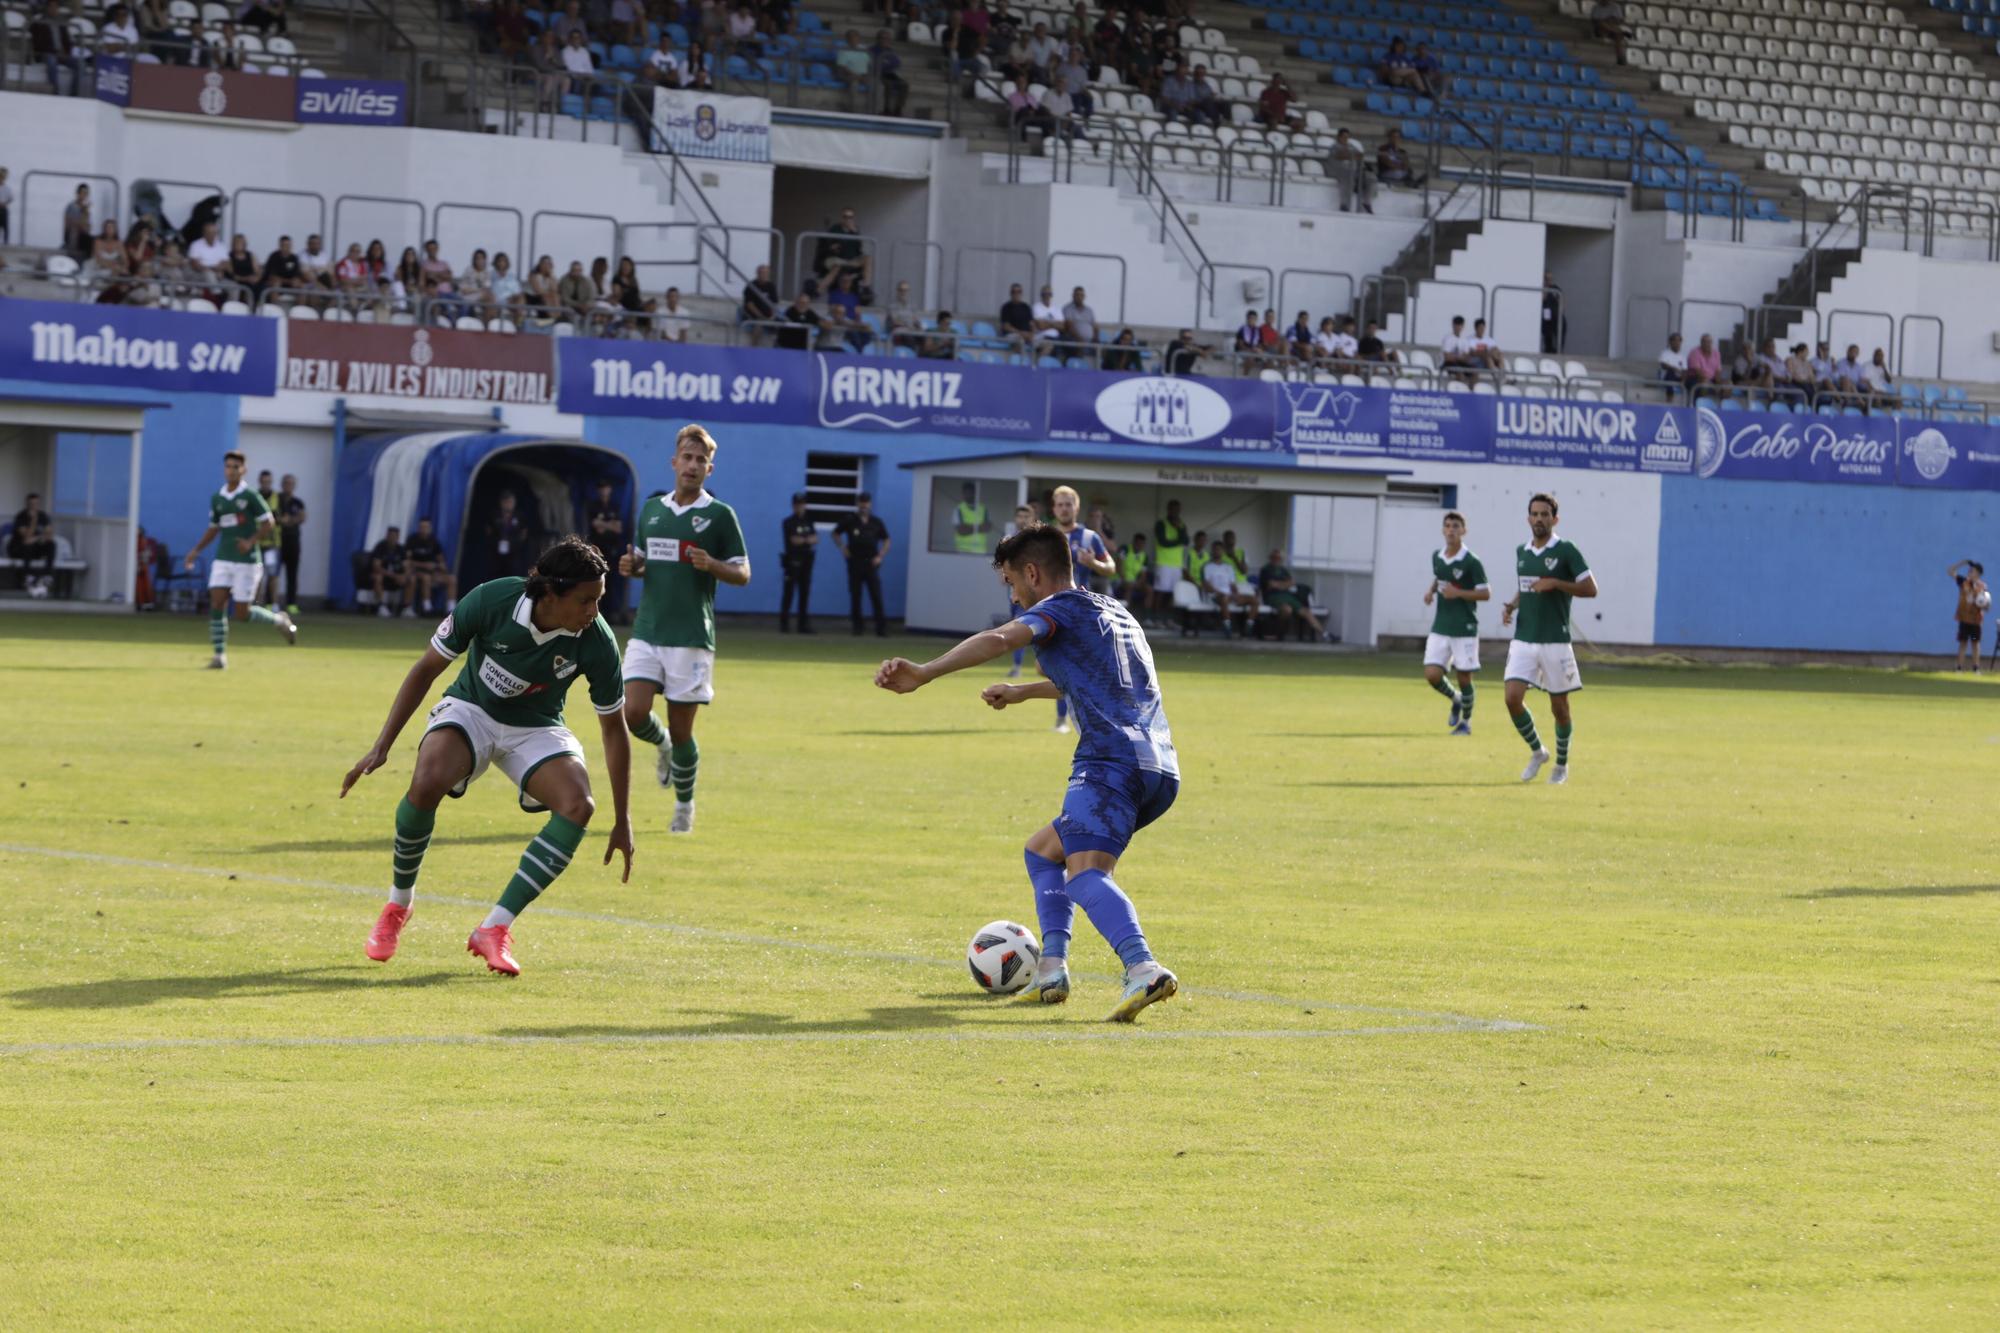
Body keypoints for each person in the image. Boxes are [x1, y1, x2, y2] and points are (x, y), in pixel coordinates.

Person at [874, 524, 1181, 1022]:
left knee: (1085, 875)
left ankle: (1143, 967)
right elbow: (1102, 682)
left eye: (1011, 583)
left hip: (1109, 763)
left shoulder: (1054, 610)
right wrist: (1024, 692)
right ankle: (1051, 970)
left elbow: (1000, 638)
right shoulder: (1116, 612)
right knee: (1043, 852)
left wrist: (925, 672)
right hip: (1160, 765)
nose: (1014, 596)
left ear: (1033, 573)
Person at [341, 537, 633, 977]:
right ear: (551, 594)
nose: (594, 611)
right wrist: (382, 745)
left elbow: (614, 729)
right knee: (426, 782)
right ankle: (398, 906)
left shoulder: (597, 640)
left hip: (536, 726)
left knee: (578, 806)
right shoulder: (492, 599)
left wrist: (623, 818)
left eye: (600, 600)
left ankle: (494, 928)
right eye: (586, 600)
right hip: (471, 710)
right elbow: (426, 667)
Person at [616, 425, 751, 836]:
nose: (692, 465)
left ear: (709, 469)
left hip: (691, 637)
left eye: (700, 460)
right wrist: (631, 568)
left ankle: (684, 806)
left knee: (682, 728)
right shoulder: (652, 510)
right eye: (686, 458)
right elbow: (641, 561)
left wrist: (714, 566)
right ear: (674, 462)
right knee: (633, 711)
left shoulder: (719, 515)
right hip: (647, 629)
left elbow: (743, 573)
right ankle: (663, 748)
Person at [1499, 493, 1596, 785]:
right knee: (1512, 698)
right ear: (1528, 518)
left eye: (1544, 514)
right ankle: (1538, 751)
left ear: (1555, 519)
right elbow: (1528, 587)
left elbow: (1590, 588)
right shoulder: (1522, 551)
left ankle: (1562, 765)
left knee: (1560, 708)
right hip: (1524, 639)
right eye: (1534, 514)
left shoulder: (1566, 550)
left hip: (1555, 640)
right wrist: (1512, 605)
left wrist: (1556, 583)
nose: (1539, 519)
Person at [181, 451, 299, 667]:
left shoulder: (250, 496)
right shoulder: (218, 498)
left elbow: (268, 522)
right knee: (217, 603)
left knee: (242, 614)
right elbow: (213, 528)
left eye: (236, 467)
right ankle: (219, 656)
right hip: (223, 559)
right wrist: (196, 550)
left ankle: (279, 620)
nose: (231, 470)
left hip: (247, 561)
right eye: (228, 466)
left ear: (243, 470)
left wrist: (250, 541)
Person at [1045, 484, 1116, 731]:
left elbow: (1111, 568)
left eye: (1069, 504)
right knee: (1053, 666)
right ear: (1054, 508)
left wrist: (1093, 562)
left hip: (1081, 611)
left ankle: (1068, 719)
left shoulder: (1089, 538)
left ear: (1077, 507)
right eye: (1060, 504)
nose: (1064, 509)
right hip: (1050, 608)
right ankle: (1067, 716)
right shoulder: (1045, 536)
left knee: (1075, 664)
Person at [1421, 510, 1489, 735]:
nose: (1451, 530)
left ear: (1463, 531)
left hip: (1465, 628)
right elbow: (1440, 577)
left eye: (1456, 526)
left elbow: (1485, 593)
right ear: (1443, 530)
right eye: (1448, 525)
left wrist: (1458, 593)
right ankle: (1455, 699)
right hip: (1441, 626)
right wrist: (1431, 591)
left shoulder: (1471, 562)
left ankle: (1466, 723)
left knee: (1464, 677)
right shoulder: (1437, 556)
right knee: (1432, 674)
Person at [833, 491, 890, 637]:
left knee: (876, 595)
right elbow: (836, 533)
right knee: (855, 594)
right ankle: (858, 627)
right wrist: (843, 548)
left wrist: (880, 556)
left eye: (866, 502)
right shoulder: (850, 520)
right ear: (858, 503)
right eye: (861, 502)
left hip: (871, 562)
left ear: (870, 504)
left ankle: (881, 628)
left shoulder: (876, 521)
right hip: (855, 562)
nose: (864, 505)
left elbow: (886, 539)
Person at [779, 490, 818, 633]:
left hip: (807, 561)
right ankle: (784, 624)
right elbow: (794, 541)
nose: (799, 507)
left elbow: (815, 539)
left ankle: (803, 625)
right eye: (797, 504)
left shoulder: (809, 521)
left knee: (804, 593)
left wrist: (804, 540)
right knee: (789, 593)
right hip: (792, 562)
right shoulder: (788, 522)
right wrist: (806, 540)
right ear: (793, 505)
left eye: (802, 504)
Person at [404, 517, 458, 616]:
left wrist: (439, 569)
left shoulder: (434, 541)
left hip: (432, 572)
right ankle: (427, 608)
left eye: (426, 527)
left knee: (452, 579)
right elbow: (408, 561)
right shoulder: (412, 540)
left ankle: (452, 609)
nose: (424, 529)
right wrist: (424, 565)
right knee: (426, 578)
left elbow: (441, 561)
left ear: (430, 528)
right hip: (417, 572)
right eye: (422, 527)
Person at [586, 479, 625, 620]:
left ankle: (610, 612)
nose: (604, 490)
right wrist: (610, 524)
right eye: (601, 488)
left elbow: (619, 527)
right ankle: (597, 611)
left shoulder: (614, 506)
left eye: (606, 487)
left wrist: (604, 524)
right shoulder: (593, 506)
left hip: (612, 550)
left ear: (610, 489)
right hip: (597, 550)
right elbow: (596, 526)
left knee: (612, 581)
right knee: (597, 579)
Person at [7, 492, 57, 597]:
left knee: (51, 544)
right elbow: (26, 537)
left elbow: (49, 535)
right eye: (32, 503)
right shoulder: (21, 516)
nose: (34, 506)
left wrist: (39, 538)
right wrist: (34, 520)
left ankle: (47, 575)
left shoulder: (43, 516)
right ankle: (28, 576)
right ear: (27, 504)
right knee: (27, 546)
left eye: (36, 503)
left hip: (34, 547)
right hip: (18, 549)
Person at [273, 474, 305, 615]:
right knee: (273, 573)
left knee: (292, 573)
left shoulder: (298, 502)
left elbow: (302, 517)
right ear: (282, 484)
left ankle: (291, 603)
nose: (288, 485)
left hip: (293, 542)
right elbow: (272, 516)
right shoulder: (276, 500)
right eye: (286, 483)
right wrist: (281, 520)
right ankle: (271, 602)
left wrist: (289, 520)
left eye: (291, 483)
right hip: (277, 542)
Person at [1151, 498, 1190, 613]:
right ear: (1168, 510)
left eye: (1178, 510)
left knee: (1174, 593)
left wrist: (1179, 530)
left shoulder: (1181, 525)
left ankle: (1168, 618)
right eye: (1173, 509)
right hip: (1164, 563)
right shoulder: (1161, 524)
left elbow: (1186, 542)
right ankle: (1155, 617)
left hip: (1177, 564)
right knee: (1160, 592)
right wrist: (1180, 540)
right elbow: (1164, 542)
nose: (1175, 512)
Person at [1950, 558, 1987, 673]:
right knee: (1963, 643)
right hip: (1964, 620)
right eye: (1969, 570)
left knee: (1975, 643)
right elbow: (1950, 571)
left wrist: (1983, 604)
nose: (1970, 572)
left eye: (1973, 571)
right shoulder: (1963, 581)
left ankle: (1976, 668)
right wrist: (1962, 563)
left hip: (1976, 621)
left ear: (1978, 574)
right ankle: (1959, 668)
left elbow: (1986, 604)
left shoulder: (1982, 586)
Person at [1328, 128, 1374, 213]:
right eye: (1343, 137)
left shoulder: (1351, 146)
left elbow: (1360, 155)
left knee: (1370, 177)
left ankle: (1366, 202)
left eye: (1347, 137)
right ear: (1338, 137)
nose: (1345, 139)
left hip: (1354, 170)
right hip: (1339, 171)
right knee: (1348, 176)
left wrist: (1349, 155)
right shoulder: (1334, 146)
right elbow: (1339, 156)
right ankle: (1345, 204)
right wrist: (1352, 156)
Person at [486, 491, 530, 579]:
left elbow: (524, 533)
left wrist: (515, 543)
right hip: (496, 553)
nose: (509, 505)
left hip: (514, 553)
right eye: (507, 502)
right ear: (501, 503)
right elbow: (489, 531)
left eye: (511, 502)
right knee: (495, 575)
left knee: (513, 574)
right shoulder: (494, 515)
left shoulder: (519, 516)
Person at [369, 526, 409, 617]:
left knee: (411, 579)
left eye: (395, 536)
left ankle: (407, 607)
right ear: (387, 536)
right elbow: (376, 567)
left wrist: (404, 576)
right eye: (390, 535)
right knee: (377, 577)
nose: (392, 538)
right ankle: (381, 606)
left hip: (396, 577)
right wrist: (394, 576)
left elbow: (406, 566)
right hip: (384, 576)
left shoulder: (401, 549)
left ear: (398, 537)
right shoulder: (380, 547)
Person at [950, 480, 992, 556]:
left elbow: (988, 527)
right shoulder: (958, 509)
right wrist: (979, 527)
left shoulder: (983, 509)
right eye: (965, 493)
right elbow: (961, 530)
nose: (968, 495)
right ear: (962, 494)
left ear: (975, 493)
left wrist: (968, 526)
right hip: (963, 550)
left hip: (979, 551)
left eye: (970, 492)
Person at [1539, 272, 1565, 354]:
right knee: (1548, 338)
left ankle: (1558, 352)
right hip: (1546, 319)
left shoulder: (1556, 289)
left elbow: (1562, 302)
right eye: (1547, 279)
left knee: (1559, 339)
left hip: (1556, 317)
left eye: (1550, 279)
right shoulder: (1542, 289)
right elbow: (1542, 299)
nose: (1549, 281)